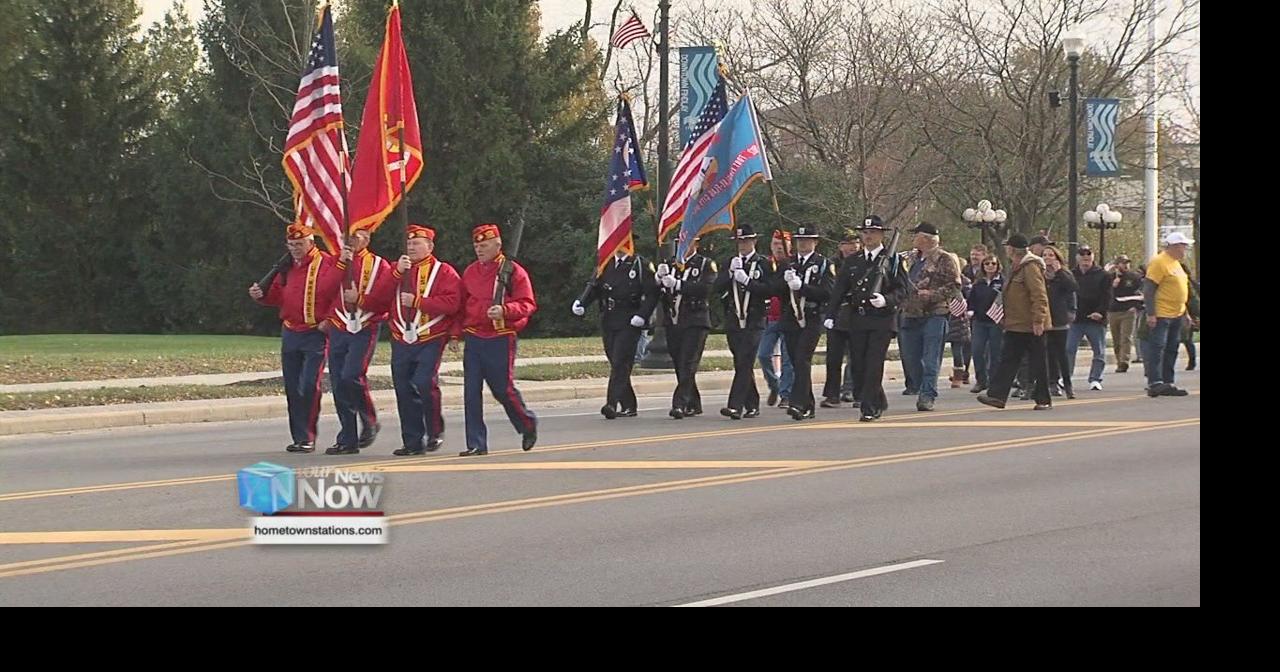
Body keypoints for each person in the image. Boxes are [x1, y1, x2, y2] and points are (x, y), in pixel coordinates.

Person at [248, 223, 342, 453]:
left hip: (315, 333)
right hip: (291, 331)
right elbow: (279, 296)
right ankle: (300, 437)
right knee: (292, 386)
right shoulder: (287, 268)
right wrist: (261, 295)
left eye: (300, 244)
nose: (296, 248)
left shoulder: (327, 264)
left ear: (311, 242)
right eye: (291, 244)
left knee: (309, 384)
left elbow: (339, 295)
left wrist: (330, 319)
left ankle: (308, 434)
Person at [454, 223, 539, 455]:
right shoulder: (470, 272)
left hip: (500, 336)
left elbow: (528, 304)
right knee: (471, 393)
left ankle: (527, 423)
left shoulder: (513, 271)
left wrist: (505, 310)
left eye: (484, 245)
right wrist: (455, 334)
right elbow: (462, 306)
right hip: (474, 337)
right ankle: (476, 443)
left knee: (503, 389)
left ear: (498, 244)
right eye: (476, 245)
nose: (479, 249)